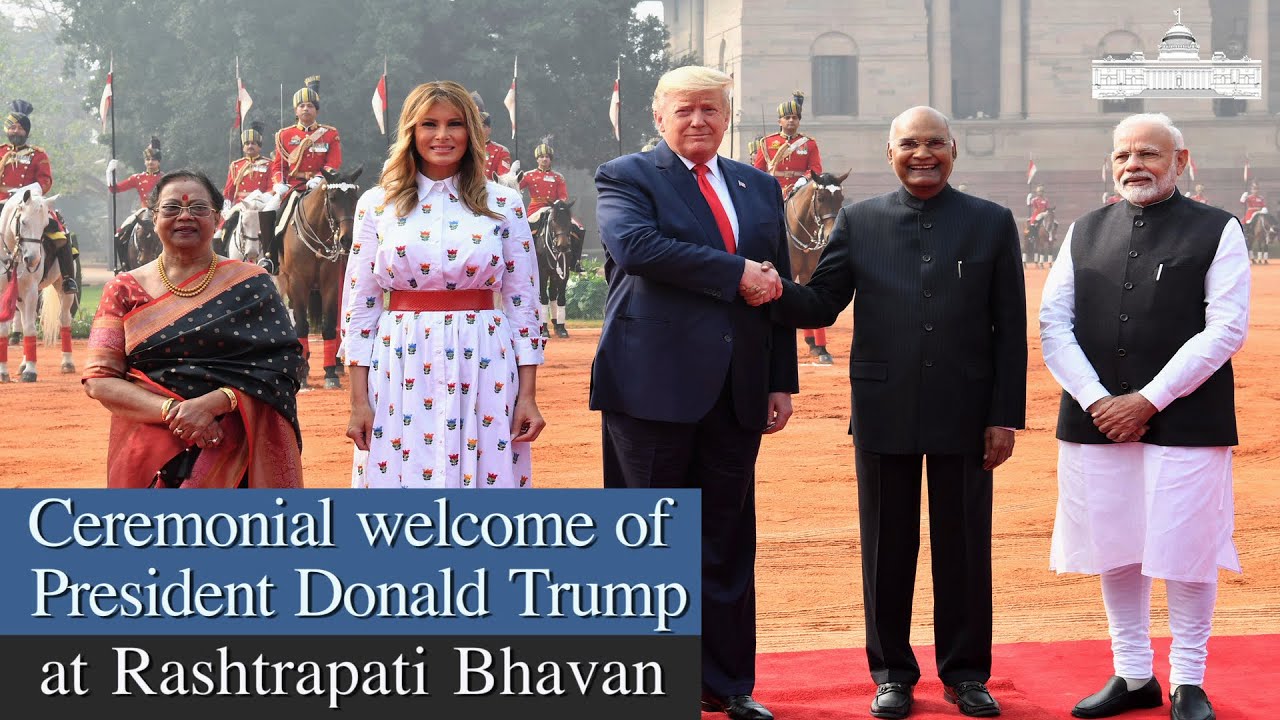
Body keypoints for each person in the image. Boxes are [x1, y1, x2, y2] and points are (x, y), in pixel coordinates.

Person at [772, 106, 1027, 720]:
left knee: (964, 546)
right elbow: (824, 302)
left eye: (934, 142)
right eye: (909, 143)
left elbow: (1010, 329)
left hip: (968, 412)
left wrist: (1004, 415)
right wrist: (771, 288)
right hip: (884, 406)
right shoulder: (861, 221)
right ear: (890, 153)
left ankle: (966, 674)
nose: (922, 153)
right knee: (886, 546)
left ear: (953, 149)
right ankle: (891, 673)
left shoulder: (991, 223)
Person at [593, 65, 798, 720]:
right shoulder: (627, 176)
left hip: (738, 388)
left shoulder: (759, 185)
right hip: (650, 382)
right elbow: (637, 246)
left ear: (728, 115)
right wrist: (735, 272)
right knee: (645, 535)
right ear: (659, 117)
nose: (699, 121)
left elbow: (777, 287)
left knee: (726, 538)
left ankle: (727, 682)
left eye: (711, 109)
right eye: (684, 110)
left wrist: (780, 380)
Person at [1040, 113, 1249, 720]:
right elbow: (1054, 324)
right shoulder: (1083, 230)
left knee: (1186, 546)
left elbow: (1225, 328)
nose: (1135, 164)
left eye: (1150, 154)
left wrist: (1148, 400)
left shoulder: (1218, 229)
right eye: (1123, 154)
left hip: (1188, 419)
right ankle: (1133, 674)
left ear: (1181, 161)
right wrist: (1098, 401)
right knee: (1117, 544)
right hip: (1096, 421)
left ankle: (1188, 679)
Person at [342, 80, 546, 489]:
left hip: (485, 355)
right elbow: (361, 306)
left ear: (471, 131)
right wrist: (358, 402)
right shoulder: (376, 204)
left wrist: (527, 396)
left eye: (455, 123)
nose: (442, 135)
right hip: (399, 357)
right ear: (410, 132)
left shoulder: (504, 203)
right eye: (428, 124)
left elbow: (523, 304)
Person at [82, 170, 304, 488]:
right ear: (152, 216)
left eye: (198, 208)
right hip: (151, 449)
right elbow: (99, 379)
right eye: (172, 208)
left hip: (236, 445)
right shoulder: (122, 289)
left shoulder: (253, 282)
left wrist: (217, 402)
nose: (185, 217)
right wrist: (175, 412)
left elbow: (286, 365)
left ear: (217, 218)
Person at [753, 91, 829, 360]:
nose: (792, 121)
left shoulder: (809, 144)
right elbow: (757, 172)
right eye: (787, 117)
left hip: (800, 191)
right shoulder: (767, 143)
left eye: (795, 117)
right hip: (774, 195)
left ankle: (817, 341)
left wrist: (802, 182)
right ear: (779, 120)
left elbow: (815, 168)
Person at [261, 75, 343, 274]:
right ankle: (269, 258)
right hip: (294, 187)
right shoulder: (284, 135)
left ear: (316, 110)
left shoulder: (330, 134)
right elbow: (278, 164)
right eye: (302, 106)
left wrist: (320, 178)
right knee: (268, 209)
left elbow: (334, 162)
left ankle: (346, 253)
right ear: (296, 110)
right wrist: (278, 182)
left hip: (321, 186)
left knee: (343, 210)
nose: (306, 109)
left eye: (310, 106)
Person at [1, 99, 77, 293]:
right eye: (12, 127)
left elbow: (46, 181)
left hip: (30, 204)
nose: (15, 131)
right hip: (2, 203)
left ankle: (67, 278)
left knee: (60, 232)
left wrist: (27, 194)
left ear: (26, 131)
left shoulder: (38, 155)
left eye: (19, 128)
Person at [108, 137, 164, 273]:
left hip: (160, 212)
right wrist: (110, 173)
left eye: (153, 160)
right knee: (119, 234)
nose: (150, 162)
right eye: (148, 160)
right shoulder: (137, 178)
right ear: (145, 161)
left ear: (159, 162)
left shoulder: (165, 178)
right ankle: (124, 265)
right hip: (142, 211)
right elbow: (114, 189)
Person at [223, 121, 272, 205]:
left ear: (259, 147)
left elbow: (271, 187)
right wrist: (227, 204)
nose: (250, 146)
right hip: (240, 204)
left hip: (261, 203)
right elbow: (229, 190)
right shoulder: (235, 166)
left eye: (253, 143)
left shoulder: (269, 164)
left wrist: (263, 199)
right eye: (247, 144)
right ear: (243, 148)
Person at [471, 92, 513, 182]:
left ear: (489, 129)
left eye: (483, 126)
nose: (479, 129)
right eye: (475, 126)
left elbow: (503, 180)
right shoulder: (461, 148)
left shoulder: (501, 151)